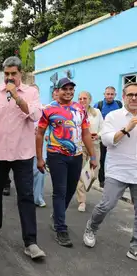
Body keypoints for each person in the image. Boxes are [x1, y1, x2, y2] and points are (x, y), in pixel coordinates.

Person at [0, 56, 46, 260]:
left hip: (22, 153)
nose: (9, 77)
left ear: (20, 74)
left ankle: (31, 242)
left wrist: (16, 96)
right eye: (6, 74)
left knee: (25, 195)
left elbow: (35, 116)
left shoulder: (31, 93)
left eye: (13, 74)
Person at [36, 78, 97, 247]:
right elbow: (40, 133)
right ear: (57, 90)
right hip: (56, 156)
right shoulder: (49, 109)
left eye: (71, 89)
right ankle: (60, 228)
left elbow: (85, 133)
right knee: (60, 191)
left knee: (70, 190)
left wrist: (92, 155)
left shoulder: (80, 109)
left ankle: (57, 214)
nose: (69, 92)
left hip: (76, 156)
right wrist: (40, 158)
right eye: (65, 89)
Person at [83, 82, 137, 261]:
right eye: (130, 95)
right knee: (106, 205)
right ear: (124, 97)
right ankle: (92, 226)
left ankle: (134, 246)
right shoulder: (114, 116)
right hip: (117, 171)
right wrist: (127, 128)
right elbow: (107, 141)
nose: (134, 98)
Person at [75, 91, 104, 212]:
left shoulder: (96, 112)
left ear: (90, 100)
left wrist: (98, 135)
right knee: (82, 173)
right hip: (81, 146)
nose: (82, 100)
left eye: (85, 98)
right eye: (80, 98)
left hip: (95, 146)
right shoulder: (76, 112)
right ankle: (82, 201)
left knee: (94, 174)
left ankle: (85, 187)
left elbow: (103, 128)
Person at [94, 86, 123, 188]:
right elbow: (94, 119)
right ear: (104, 94)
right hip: (103, 137)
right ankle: (102, 181)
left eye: (112, 94)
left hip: (117, 136)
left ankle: (118, 180)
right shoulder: (99, 105)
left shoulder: (119, 104)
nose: (110, 96)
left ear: (115, 95)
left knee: (116, 158)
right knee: (102, 159)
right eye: (108, 94)